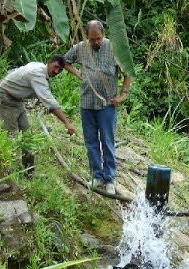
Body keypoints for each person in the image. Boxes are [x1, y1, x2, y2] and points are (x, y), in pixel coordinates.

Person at [64, 20, 131, 195]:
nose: (96, 43)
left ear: (103, 34)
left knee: (107, 142)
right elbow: (65, 61)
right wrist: (79, 74)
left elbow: (127, 71)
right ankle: (97, 176)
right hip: (86, 103)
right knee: (91, 142)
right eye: (92, 39)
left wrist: (123, 94)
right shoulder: (80, 47)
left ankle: (110, 178)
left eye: (99, 39)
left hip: (107, 104)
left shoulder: (113, 47)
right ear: (87, 36)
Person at [0, 55, 76, 173]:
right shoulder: (38, 75)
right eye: (55, 67)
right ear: (49, 63)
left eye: (60, 70)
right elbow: (49, 101)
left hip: (17, 100)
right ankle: (11, 172)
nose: (56, 71)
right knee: (11, 135)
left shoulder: (38, 65)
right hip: (6, 97)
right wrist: (67, 123)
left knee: (27, 135)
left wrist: (1, 81)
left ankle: (29, 171)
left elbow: (17, 71)